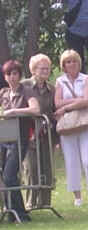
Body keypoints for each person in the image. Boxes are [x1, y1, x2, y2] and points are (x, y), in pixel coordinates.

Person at [54, 50, 88, 206]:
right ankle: (77, 197)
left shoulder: (87, 79)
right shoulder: (60, 81)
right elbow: (57, 103)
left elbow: (87, 101)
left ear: (79, 62)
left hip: (86, 123)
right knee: (71, 161)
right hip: (67, 125)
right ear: (63, 65)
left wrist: (67, 105)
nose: (71, 64)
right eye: (68, 62)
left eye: (74, 61)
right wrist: (78, 101)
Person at [0, 60, 39, 222]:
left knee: (9, 176)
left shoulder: (27, 91)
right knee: (5, 177)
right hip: (3, 138)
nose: (12, 77)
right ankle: (12, 212)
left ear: (20, 74)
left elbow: (36, 109)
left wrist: (14, 111)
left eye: (15, 73)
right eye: (8, 74)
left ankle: (21, 214)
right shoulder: (3, 93)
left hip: (20, 139)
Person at [21, 54, 56, 209]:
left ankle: (45, 202)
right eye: (42, 68)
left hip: (46, 133)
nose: (45, 71)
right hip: (28, 133)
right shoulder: (24, 86)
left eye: (47, 68)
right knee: (31, 167)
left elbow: (54, 112)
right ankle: (30, 202)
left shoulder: (52, 88)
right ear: (33, 70)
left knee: (47, 167)